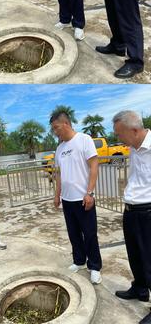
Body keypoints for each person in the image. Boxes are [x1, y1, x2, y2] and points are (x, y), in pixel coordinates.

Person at [50, 111, 102, 285]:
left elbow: (94, 166)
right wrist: (57, 194)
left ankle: (94, 267)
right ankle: (79, 261)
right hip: (67, 199)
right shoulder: (60, 148)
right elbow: (59, 174)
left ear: (65, 124)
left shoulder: (84, 140)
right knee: (73, 233)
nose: (55, 132)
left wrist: (90, 193)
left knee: (90, 234)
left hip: (83, 198)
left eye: (56, 128)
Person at [112, 111, 151, 323]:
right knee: (135, 255)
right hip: (131, 210)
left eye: (120, 134)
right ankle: (140, 289)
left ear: (134, 130)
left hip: (148, 212)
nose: (118, 139)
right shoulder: (134, 147)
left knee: (149, 259)